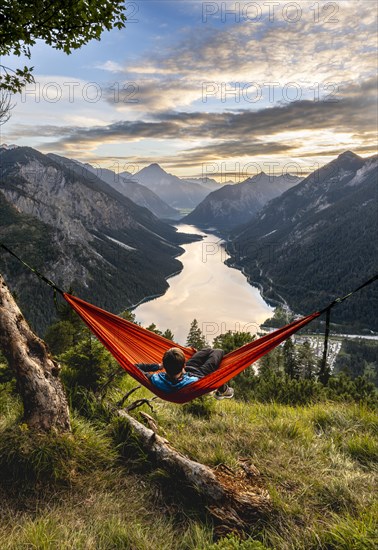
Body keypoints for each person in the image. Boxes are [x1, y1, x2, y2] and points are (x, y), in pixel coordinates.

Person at [136, 347, 234, 399]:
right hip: (201, 373)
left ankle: (223, 390)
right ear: (183, 365)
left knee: (206, 350)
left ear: (164, 366)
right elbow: (210, 381)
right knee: (218, 351)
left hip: (187, 369)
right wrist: (221, 386)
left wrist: (158, 366)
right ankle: (224, 391)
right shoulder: (194, 382)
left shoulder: (156, 379)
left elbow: (136, 367)